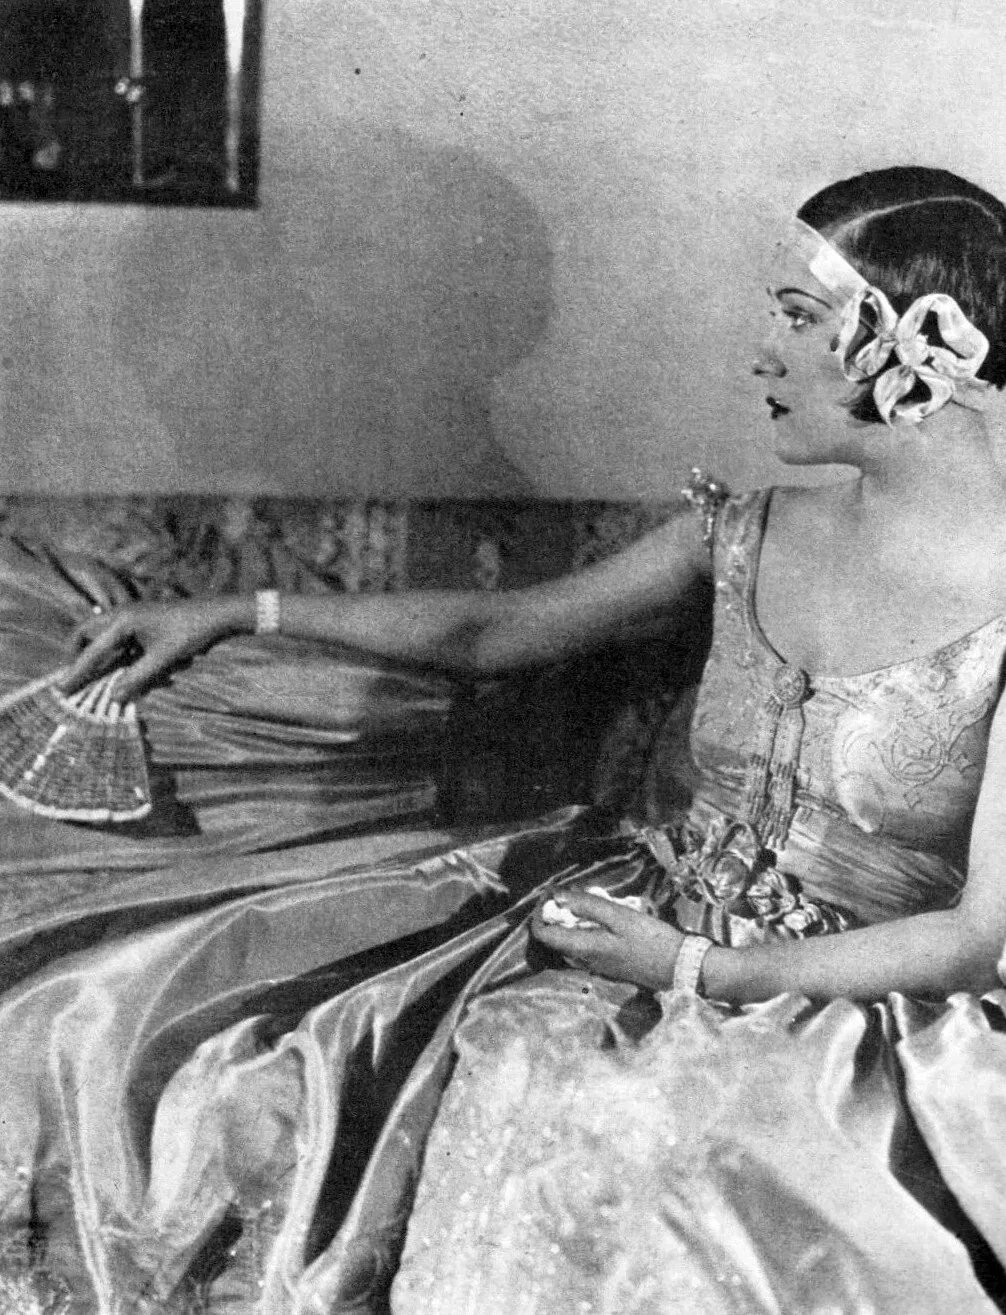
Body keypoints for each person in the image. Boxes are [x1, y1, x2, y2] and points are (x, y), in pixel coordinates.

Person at [2, 164, 1006, 1313]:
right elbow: (496, 630)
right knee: (248, 1049)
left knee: (619, 1141)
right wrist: (240, 611)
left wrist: (704, 971)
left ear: (914, 346)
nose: (759, 354)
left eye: (794, 316)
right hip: (631, 916)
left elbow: (976, 937)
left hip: (860, 1014)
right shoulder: (746, 529)